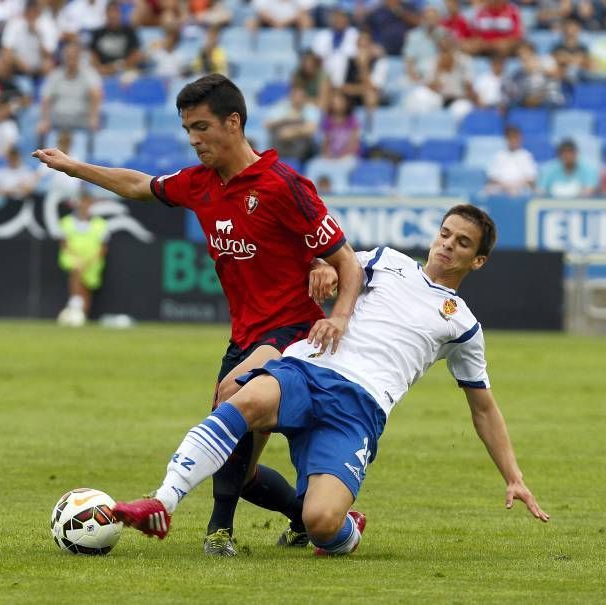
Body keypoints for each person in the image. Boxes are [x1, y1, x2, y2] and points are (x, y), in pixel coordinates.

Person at [33, 73, 363, 557]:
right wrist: (75, 169)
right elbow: (139, 185)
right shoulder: (200, 185)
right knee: (239, 465)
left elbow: (346, 259)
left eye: (202, 127)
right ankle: (303, 518)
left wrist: (339, 314)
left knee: (230, 400)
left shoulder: (282, 185)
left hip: (290, 330)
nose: (193, 139)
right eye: (187, 128)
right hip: (245, 333)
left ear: (234, 122)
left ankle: (217, 532)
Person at [112, 204, 550, 555]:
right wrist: (321, 264)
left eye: (462, 243)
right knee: (243, 400)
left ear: (479, 260)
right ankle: (163, 502)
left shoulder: (464, 325)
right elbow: (336, 262)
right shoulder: (386, 261)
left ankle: (343, 527)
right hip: (310, 369)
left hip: (359, 410)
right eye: (445, 233)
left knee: (322, 524)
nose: (447, 245)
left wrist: (513, 476)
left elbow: (483, 408)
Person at [57, 190, 109, 326]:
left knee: (86, 287)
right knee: (76, 271)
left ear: (91, 204)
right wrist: (77, 258)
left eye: (87, 202)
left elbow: (103, 248)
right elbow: (64, 244)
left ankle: (81, 316)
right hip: (72, 257)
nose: (84, 205)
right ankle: (75, 305)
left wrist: (89, 261)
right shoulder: (66, 221)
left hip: (92, 261)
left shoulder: (101, 224)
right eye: (82, 201)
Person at [486, 125, 537, 195]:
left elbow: (531, 179)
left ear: (520, 138)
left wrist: (516, 186)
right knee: (489, 189)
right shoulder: (499, 156)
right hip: (501, 188)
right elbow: (492, 178)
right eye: (510, 138)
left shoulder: (526, 156)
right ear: (506, 139)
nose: (513, 140)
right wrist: (507, 186)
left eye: (515, 138)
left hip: (521, 188)